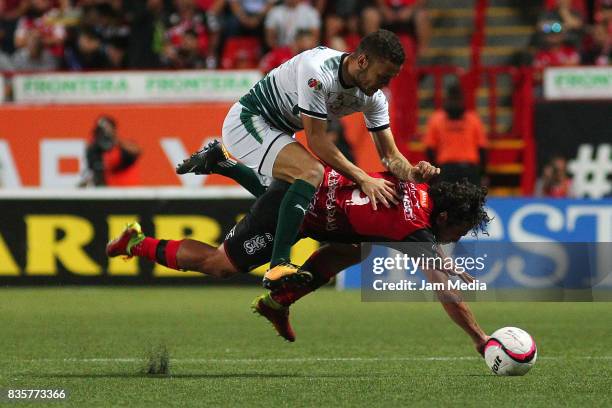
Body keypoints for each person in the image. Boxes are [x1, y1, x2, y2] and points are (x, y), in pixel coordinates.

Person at [106, 167, 491, 352]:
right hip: (293, 209)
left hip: (319, 194)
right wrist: (480, 338)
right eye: (458, 230)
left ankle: (278, 302)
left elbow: (411, 226)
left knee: (355, 248)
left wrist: (439, 255)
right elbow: (445, 289)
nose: (455, 238)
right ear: (443, 217)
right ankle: (136, 242)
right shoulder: (415, 228)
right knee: (219, 265)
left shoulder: (416, 187)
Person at [177, 29, 439, 291]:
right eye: (383, 76)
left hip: (280, 130)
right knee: (311, 172)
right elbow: (316, 141)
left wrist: (413, 173)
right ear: (362, 61)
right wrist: (362, 178)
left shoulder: (373, 98)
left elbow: (390, 156)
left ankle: (221, 162)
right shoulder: (318, 71)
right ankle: (279, 265)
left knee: (285, 197)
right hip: (249, 121)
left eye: (390, 79)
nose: (385, 85)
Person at [423, 83, 487, 186]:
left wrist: (435, 172)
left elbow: (430, 150)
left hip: (448, 169)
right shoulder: (473, 119)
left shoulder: (436, 119)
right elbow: (482, 150)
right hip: (466, 169)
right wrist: (483, 173)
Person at [81, 115, 142, 187]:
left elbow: (137, 151)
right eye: (100, 132)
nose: (103, 135)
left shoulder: (122, 148)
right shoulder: (96, 151)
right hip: (109, 191)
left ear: (114, 130)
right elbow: (93, 173)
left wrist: (115, 141)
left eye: (106, 131)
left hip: (128, 192)